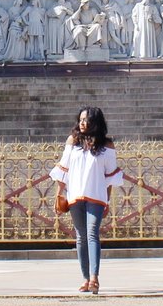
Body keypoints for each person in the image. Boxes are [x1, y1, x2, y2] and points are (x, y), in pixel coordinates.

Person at [49, 107, 123, 294]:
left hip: (96, 195)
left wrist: (107, 199)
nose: (82, 123)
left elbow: (110, 176)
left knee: (92, 233)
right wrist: (59, 194)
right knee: (80, 236)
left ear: (95, 122)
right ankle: (84, 278)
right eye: (81, 119)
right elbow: (63, 169)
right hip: (75, 195)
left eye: (86, 120)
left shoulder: (107, 145)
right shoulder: (73, 142)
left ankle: (94, 278)